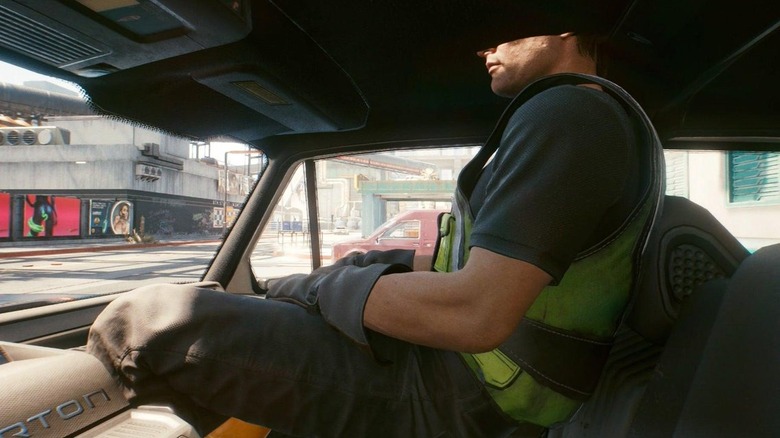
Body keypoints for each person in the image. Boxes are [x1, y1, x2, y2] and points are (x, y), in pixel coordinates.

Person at [87, 32, 660, 437]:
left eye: (500, 30)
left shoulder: (570, 114)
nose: (484, 47)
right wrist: (366, 265)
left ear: (562, 26)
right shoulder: (584, 119)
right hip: (483, 383)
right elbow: (477, 272)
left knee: (147, 319)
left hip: (470, 397)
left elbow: (476, 313)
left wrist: (318, 286)